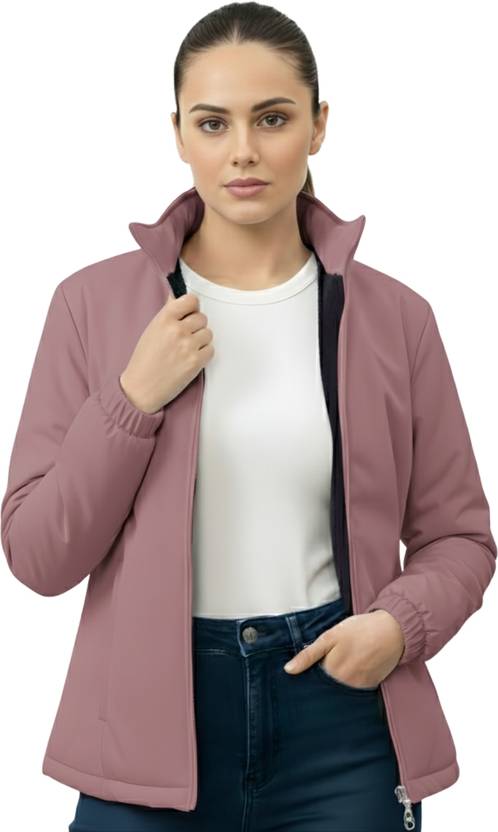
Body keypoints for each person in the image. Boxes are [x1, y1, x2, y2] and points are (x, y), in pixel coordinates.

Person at [2, 3, 495, 831]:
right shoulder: (90, 305)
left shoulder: (396, 319)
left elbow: (460, 537)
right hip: (145, 728)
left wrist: (396, 627)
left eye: (272, 118)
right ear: (177, 133)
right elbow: (38, 554)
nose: (242, 151)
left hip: (341, 720)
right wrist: (131, 399)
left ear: (318, 125)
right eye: (212, 122)